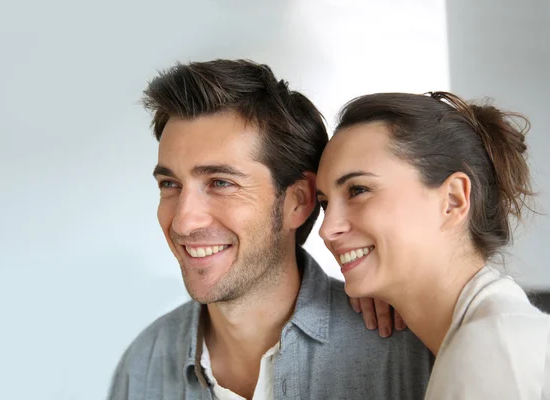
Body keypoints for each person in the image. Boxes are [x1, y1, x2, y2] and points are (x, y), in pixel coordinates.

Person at [108, 60, 432, 400]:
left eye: (220, 182)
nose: (183, 222)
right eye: (170, 184)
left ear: (297, 200)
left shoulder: (406, 352)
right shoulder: (142, 366)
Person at [316, 91, 550, 399]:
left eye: (358, 190)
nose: (327, 229)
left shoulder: (492, 348)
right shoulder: (483, 339)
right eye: (324, 204)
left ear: (453, 200)